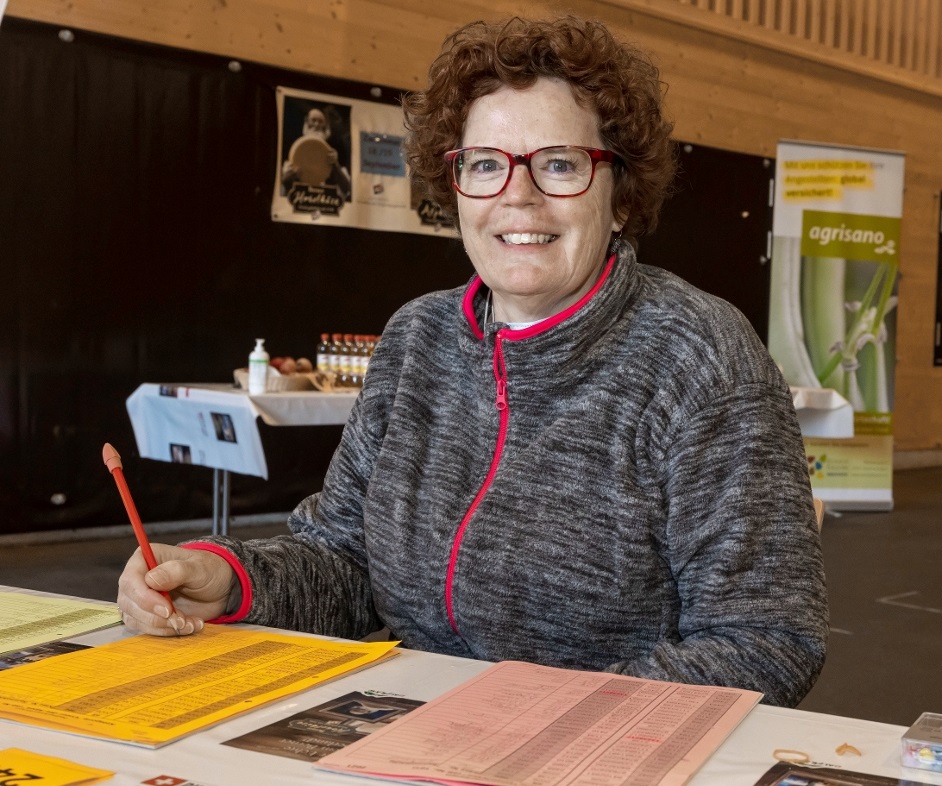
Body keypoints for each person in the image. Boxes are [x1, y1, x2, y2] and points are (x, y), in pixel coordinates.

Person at [118, 16, 828, 707]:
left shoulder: (702, 360)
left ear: (620, 196)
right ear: (455, 187)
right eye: (486, 165)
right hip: (410, 732)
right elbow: (344, 561)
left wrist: (537, 719)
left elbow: (764, 639)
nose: (517, 196)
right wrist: (231, 578)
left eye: (558, 164)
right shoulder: (416, 339)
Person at [280, 106, 352, 200]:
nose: (317, 124)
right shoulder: (292, 160)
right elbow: (281, 193)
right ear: (306, 123)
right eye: (313, 120)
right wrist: (286, 179)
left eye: (321, 121)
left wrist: (336, 166)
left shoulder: (334, 158)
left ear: (326, 128)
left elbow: (347, 190)